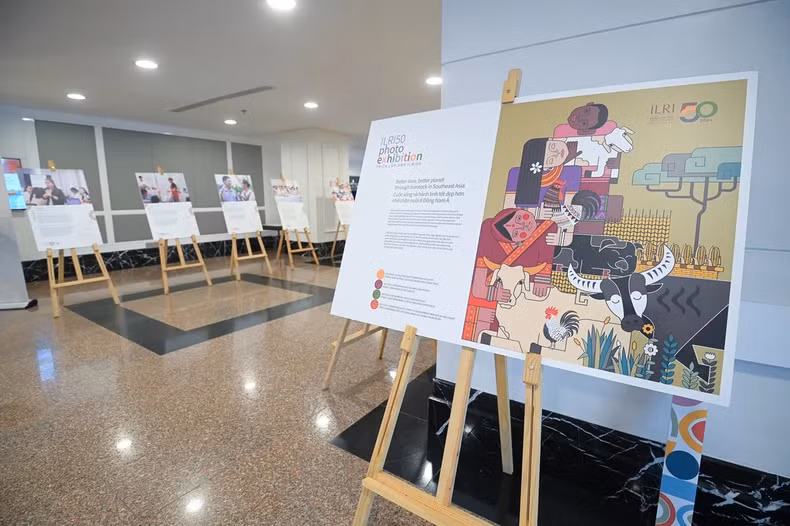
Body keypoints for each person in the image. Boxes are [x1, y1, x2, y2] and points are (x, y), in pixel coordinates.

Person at [463, 208, 557, 342]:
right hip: (497, 303)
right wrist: (495, 294)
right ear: (513, 241)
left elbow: (547, 252)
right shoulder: (488, 234)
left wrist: (543, 276)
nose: (523, 226)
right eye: (516, 233)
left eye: (518, 219)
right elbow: (478, 288)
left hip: (526, 300)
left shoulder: (545, 228)